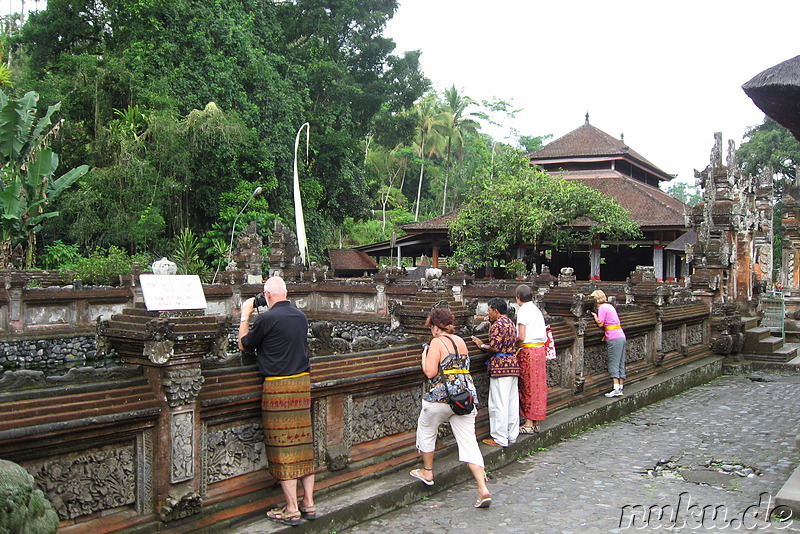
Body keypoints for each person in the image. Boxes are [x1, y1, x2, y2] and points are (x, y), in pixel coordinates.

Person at [238, 276, 316, 526]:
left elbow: (244, 345)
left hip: (279, 387)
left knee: (282, 447)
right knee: (303, 444)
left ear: (267, 295)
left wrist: (245, 315)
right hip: (302, 384)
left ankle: (292, 508)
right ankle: (309, 503)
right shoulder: (300, 316)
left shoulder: (266, 319)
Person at [410, 307, 492, 509]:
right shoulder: (461, 341)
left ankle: (428, 471)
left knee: (427, 429)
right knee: (469, 443)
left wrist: (424, 357)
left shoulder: (436, 342)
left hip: (440, 398)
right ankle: (482, 488)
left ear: (436, 328)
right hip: (464, 398)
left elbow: (430, 372)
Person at [470, 297, 520, 447]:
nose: (488, 313)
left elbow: (495, 348)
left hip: (500, 366)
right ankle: (512, 434)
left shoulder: (497, 325)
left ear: (496, 311)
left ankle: (500, 438)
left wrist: (482, 345)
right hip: (512, 364)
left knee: (499, 403)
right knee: (511, 401)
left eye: (489, 310)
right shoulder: (509, 322)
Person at [514, 284, 547, 434]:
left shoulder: (523, 311)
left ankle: (528, 422)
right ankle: (534, 421)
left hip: (528, 351)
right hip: (539, 350)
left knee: (527, 386)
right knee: (537, 385)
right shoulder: (536, 310)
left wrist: (511, 343)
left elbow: (521, 336)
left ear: (518, 298)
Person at [590, 289, 627, 398]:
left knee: (614, 361)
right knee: (620, 362)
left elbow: (601, 323)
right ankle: (620, 387)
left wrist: (594, 316)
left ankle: (616, 388)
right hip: (621, 335)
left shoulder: (602, 308)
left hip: (613, 337)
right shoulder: (610, 306)